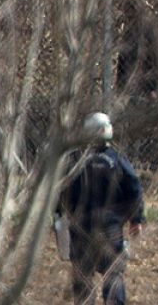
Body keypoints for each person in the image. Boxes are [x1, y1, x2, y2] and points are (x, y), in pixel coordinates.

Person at [59, 113, 144, 305]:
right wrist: (136, 219)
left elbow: (61, 191)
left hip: (81, 227)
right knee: (113, 274)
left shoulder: (74, 161)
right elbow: (134, 189)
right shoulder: (117, 160)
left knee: (82, 277)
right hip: (111, 228)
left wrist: (59, 216)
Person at [116, 0, 158, 106]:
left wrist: (152, 88)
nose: (128, 16)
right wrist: (120, 86)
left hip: (146, 83)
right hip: (131, 83)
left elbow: (154, 59)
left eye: (131, 12)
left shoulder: (147, 31)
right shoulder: (128, 32)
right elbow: (122, 59)